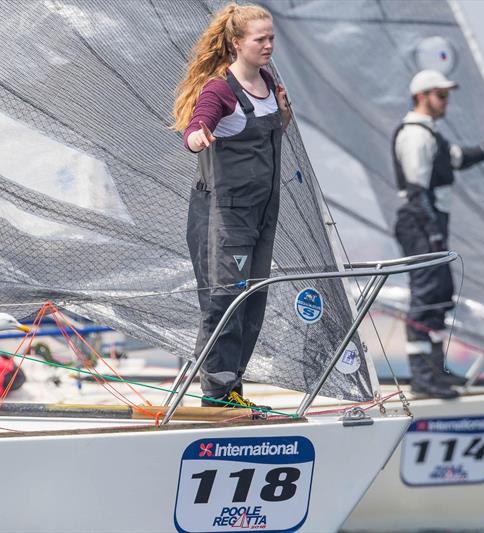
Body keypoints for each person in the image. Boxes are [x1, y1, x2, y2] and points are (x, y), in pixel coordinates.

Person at [172, 3, 291, 408]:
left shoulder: (269, 82)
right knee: (226, 299)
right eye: (261, 39)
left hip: (263, 212)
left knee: (253, 299)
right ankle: (217, 396)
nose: (268, 45)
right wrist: (196, 139)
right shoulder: (220, 89)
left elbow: (270, 131)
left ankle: (233, 390)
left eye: (271, 37)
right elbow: (196, 124)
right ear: (238, 43)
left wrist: (285, 111)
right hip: (226, 215)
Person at [393, 70, 484, 399]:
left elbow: (461, 158)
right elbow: (414, 191)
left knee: (440, 295)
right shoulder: (414, 135)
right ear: (423, 96)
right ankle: (422, 375)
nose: (447, 102)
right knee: (425, 298)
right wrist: (433, 236)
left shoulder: (432, 134)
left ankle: (437, 369)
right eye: (442, 95)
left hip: (432, 224)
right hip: (420, 223)